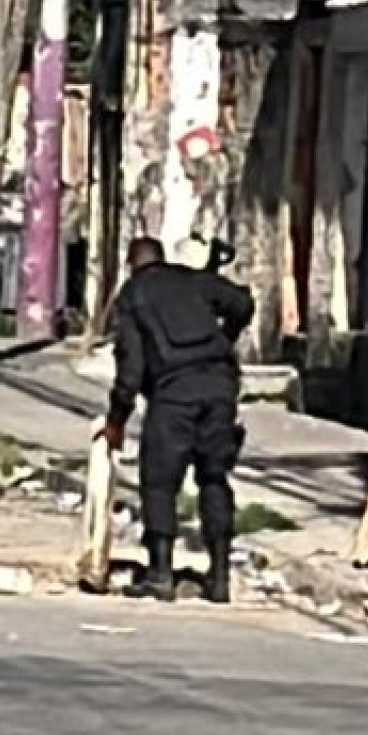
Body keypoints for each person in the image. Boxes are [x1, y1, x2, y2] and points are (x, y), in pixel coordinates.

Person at [105, 234, 254, 602]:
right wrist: (224, 337)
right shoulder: (191, 280)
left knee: (159, 482)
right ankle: (219, 577)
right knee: (214, 476)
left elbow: (131, 368)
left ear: (130, 264)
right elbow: (243, 303)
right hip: (220, 387)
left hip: (173, 395)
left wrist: (116, 420)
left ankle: (160, 573)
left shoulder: (133, 296)